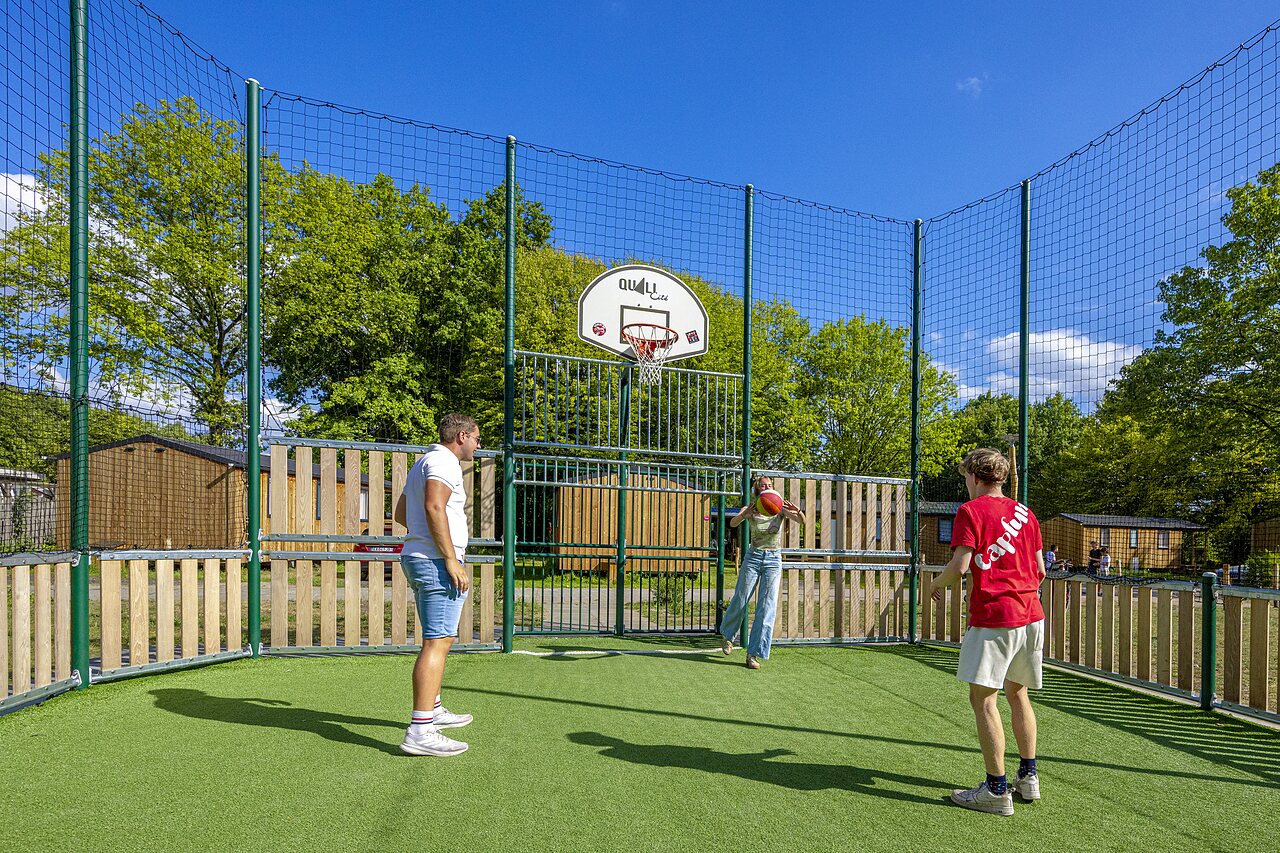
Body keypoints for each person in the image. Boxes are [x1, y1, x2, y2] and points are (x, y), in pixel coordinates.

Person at [931, 448, 1046, 816]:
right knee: (1018, 694)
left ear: (977, 478)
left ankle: (996, 790)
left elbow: (960, 565)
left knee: (983, 699)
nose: (965, 484)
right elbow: (1041, 569)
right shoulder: (1026, 513)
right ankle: (1028, 778)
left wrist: (936, 583)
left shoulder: (971, 511)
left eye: (966, 477)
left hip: (996, 616)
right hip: (1031, 615)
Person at [392, 414, 482, 757]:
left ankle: (435, 710)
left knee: (438, 638)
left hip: (420, 557)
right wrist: (449, 558)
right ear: (461, 436)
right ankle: (420, 729)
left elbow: (402, 512)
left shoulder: (424, 462)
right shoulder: (444, 460)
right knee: (438, 642)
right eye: (476, 438)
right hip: (433, 561)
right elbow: (433, 506)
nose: (478, 444)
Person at [719, 475, 803, 669]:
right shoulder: (752, 508)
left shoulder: (779, 507)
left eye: (770, 485)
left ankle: (753, 654)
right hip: (753, 557)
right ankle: (728, 636)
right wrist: (745, 513)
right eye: (763, 485)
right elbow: (733, 523)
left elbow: (802, 521)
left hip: (773, 560)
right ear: (757, 489)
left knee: (767, 607)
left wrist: (798, 512)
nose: (767, 487)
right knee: (741, 598)